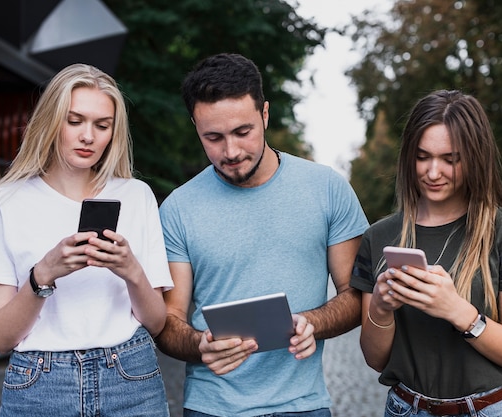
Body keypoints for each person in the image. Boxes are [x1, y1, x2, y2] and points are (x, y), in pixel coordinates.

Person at [156, 53, 369, 417]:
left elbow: (356, 294)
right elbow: (167, 320)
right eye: (213, 137)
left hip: (304, 406)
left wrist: (312, 324)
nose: (231, 151)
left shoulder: (327, 188)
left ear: (265, 114)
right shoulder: (177, 208)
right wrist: (199, 344)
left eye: (243, 132)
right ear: (195, 127)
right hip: (212, 407)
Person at [0, 63, 173, 417]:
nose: (88, 136)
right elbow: (1, 338)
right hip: (40, 384)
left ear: (113, 132)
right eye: (74, 121)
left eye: (101, 125)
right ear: (51, 121)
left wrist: (131, 271)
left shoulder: (136, 195)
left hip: (130, 375)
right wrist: (43, 274)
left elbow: (156, 323)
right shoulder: (4, 204)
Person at [350, 90, 502, 417]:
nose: (432, 172)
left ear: (474, 158)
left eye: (450, 159)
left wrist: (458, 311)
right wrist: (382, 310)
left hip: (490, 410)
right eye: (422, 156)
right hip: (405, 409)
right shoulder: (380, 237)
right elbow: (376, 359)